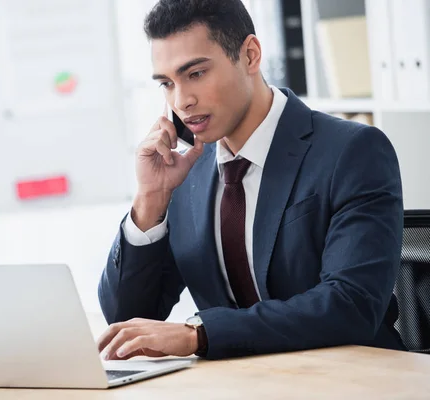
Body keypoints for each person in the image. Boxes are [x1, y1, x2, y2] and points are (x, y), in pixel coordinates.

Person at [97, 0, 405, 361]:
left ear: (250, 55)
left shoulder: (352, 151)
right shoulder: (184, 170)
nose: (182, 101)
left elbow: (351, 304)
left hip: (350, 377)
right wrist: (150, 199)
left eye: (195, 74)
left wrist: (200, 333)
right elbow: (126, 319)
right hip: (239, 386)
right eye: (167, 83)